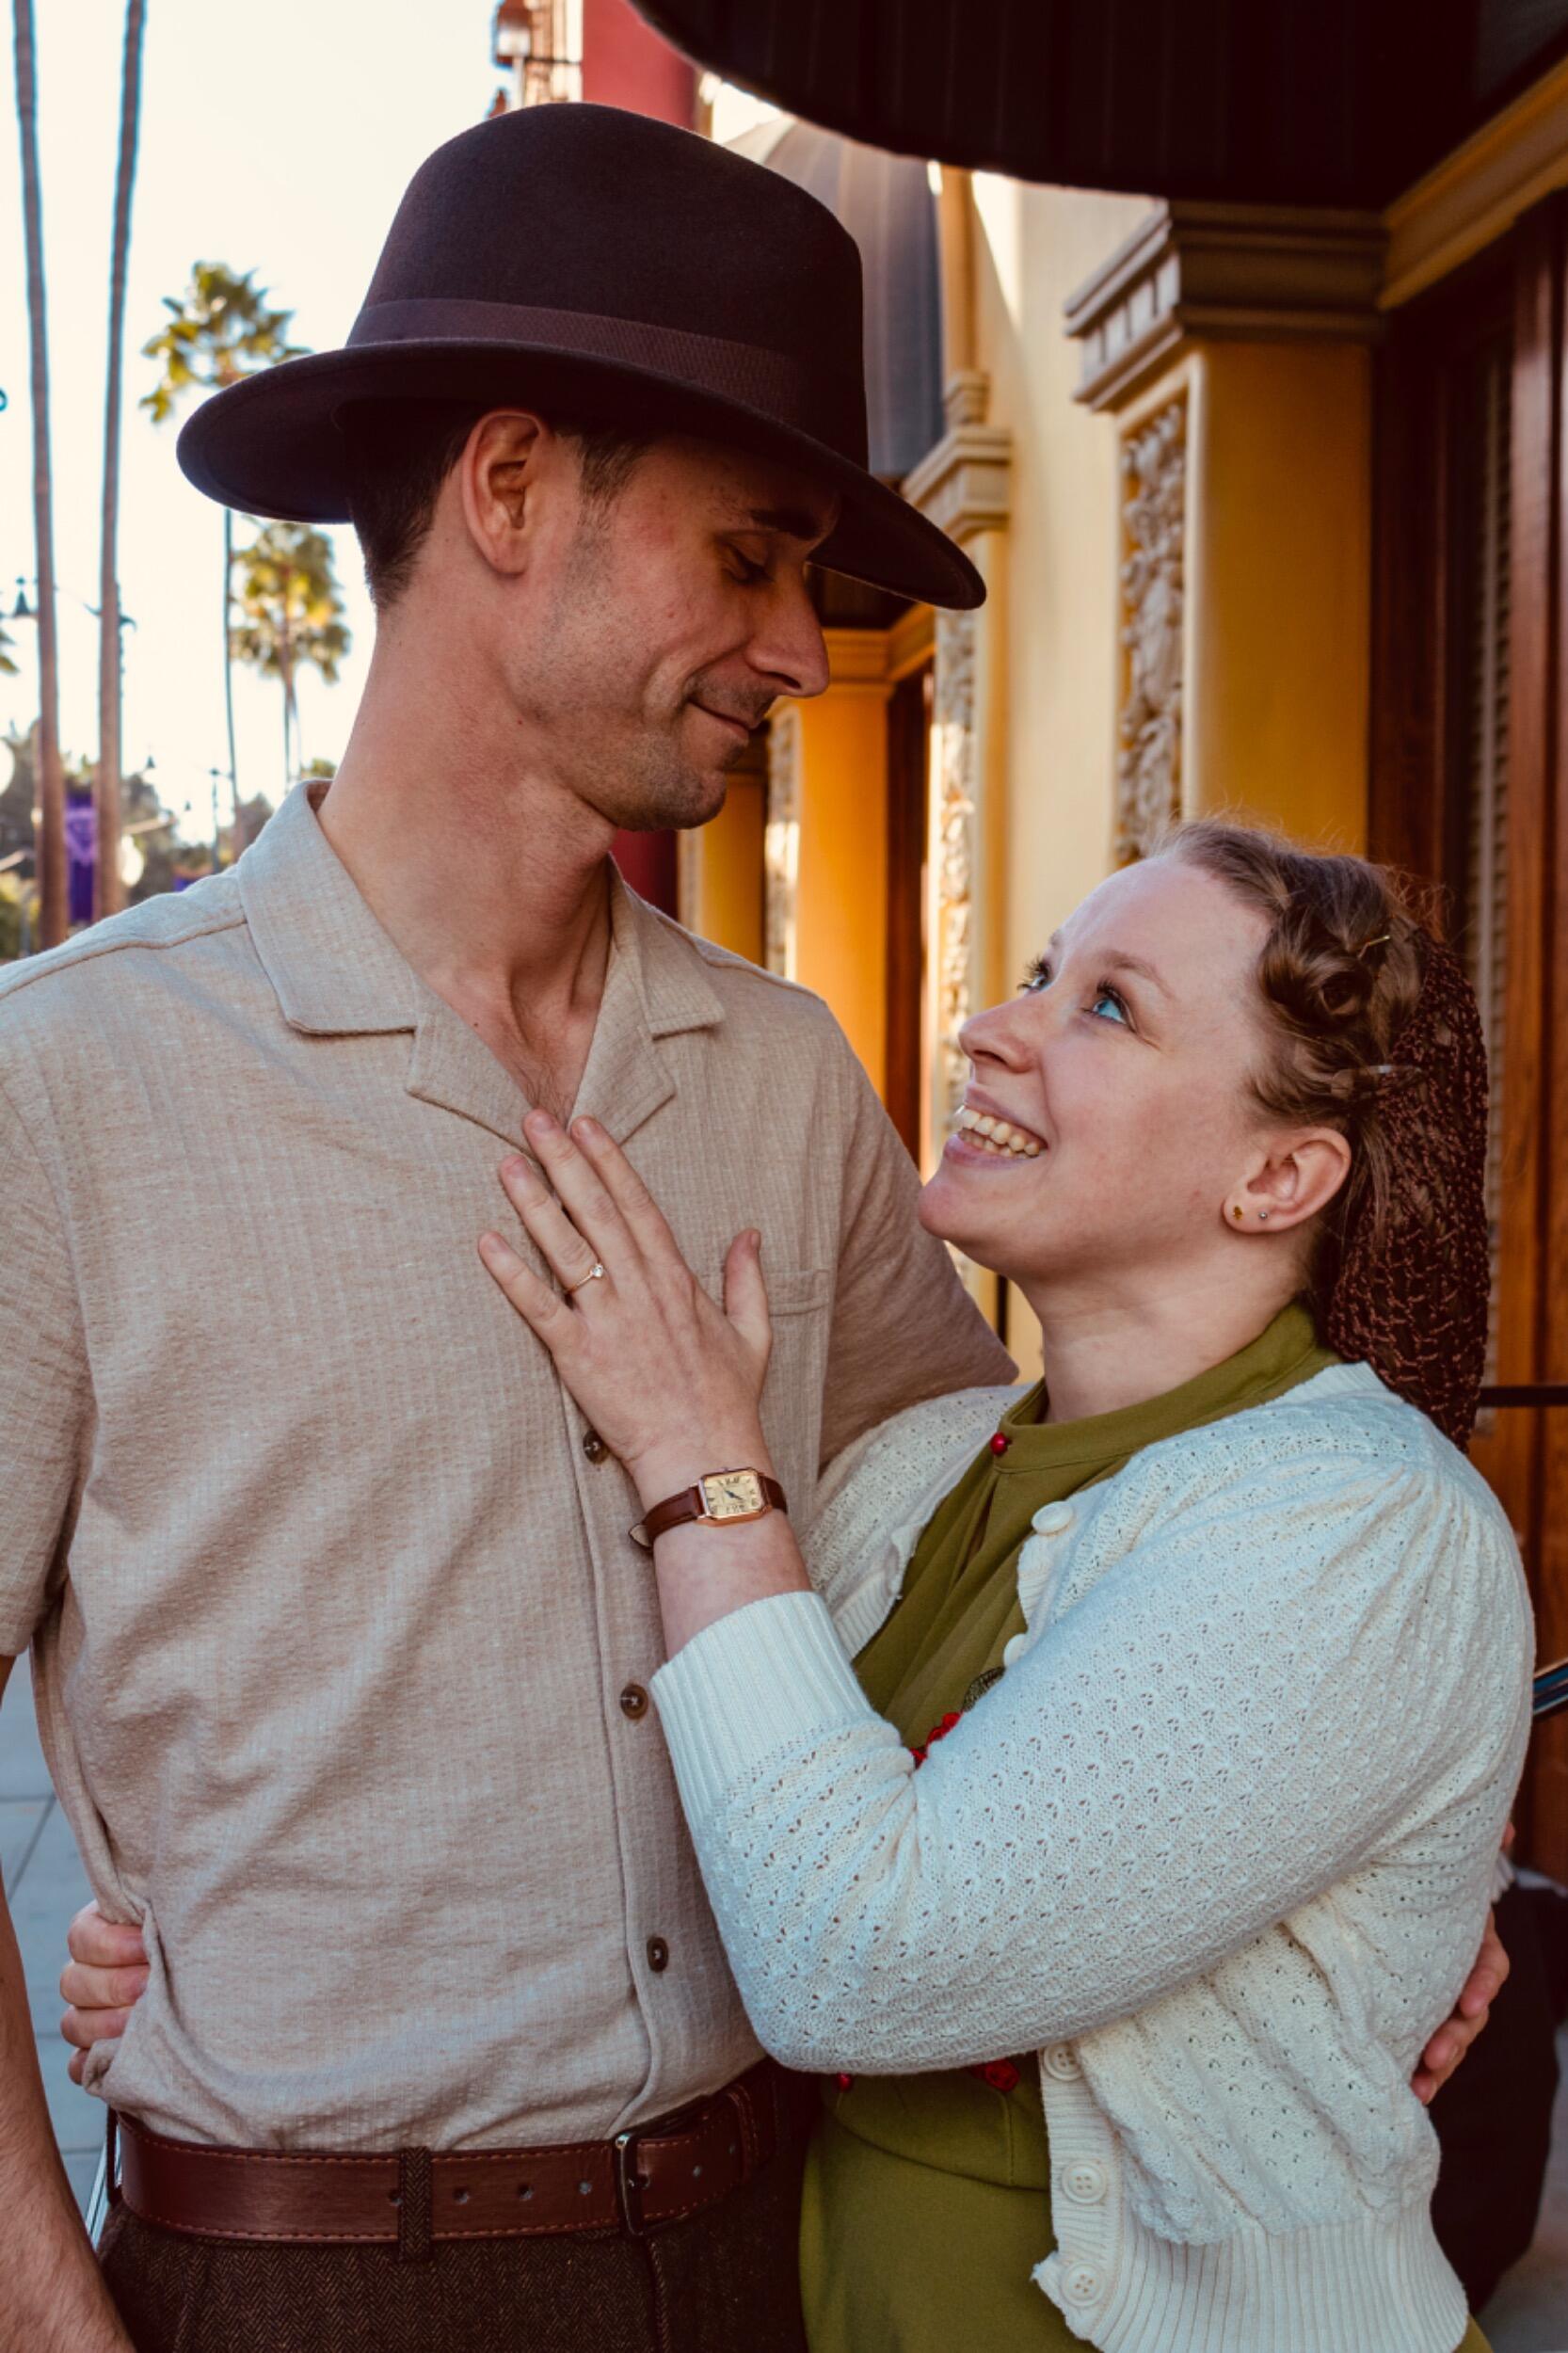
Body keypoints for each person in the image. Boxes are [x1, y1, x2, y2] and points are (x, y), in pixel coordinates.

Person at [0, 104, 1016, 2353]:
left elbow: (1006, 1573)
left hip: (780, 2246)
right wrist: (47, 2306)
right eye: (750, 558)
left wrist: (1361, 1854)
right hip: (286, 2288)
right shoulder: (64, 1082)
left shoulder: (786, 1074)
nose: (804, 654)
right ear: (508, 487)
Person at [461, 823, 1533, 2353]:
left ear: (1277, 1174)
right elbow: (712, 1814)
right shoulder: (920, 1465)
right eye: (1043, 972)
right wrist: (217, 1950)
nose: (987, 1023)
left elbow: (853, 1960)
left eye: (1107, 1005)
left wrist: (704, 1460)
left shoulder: (1361, 1525)